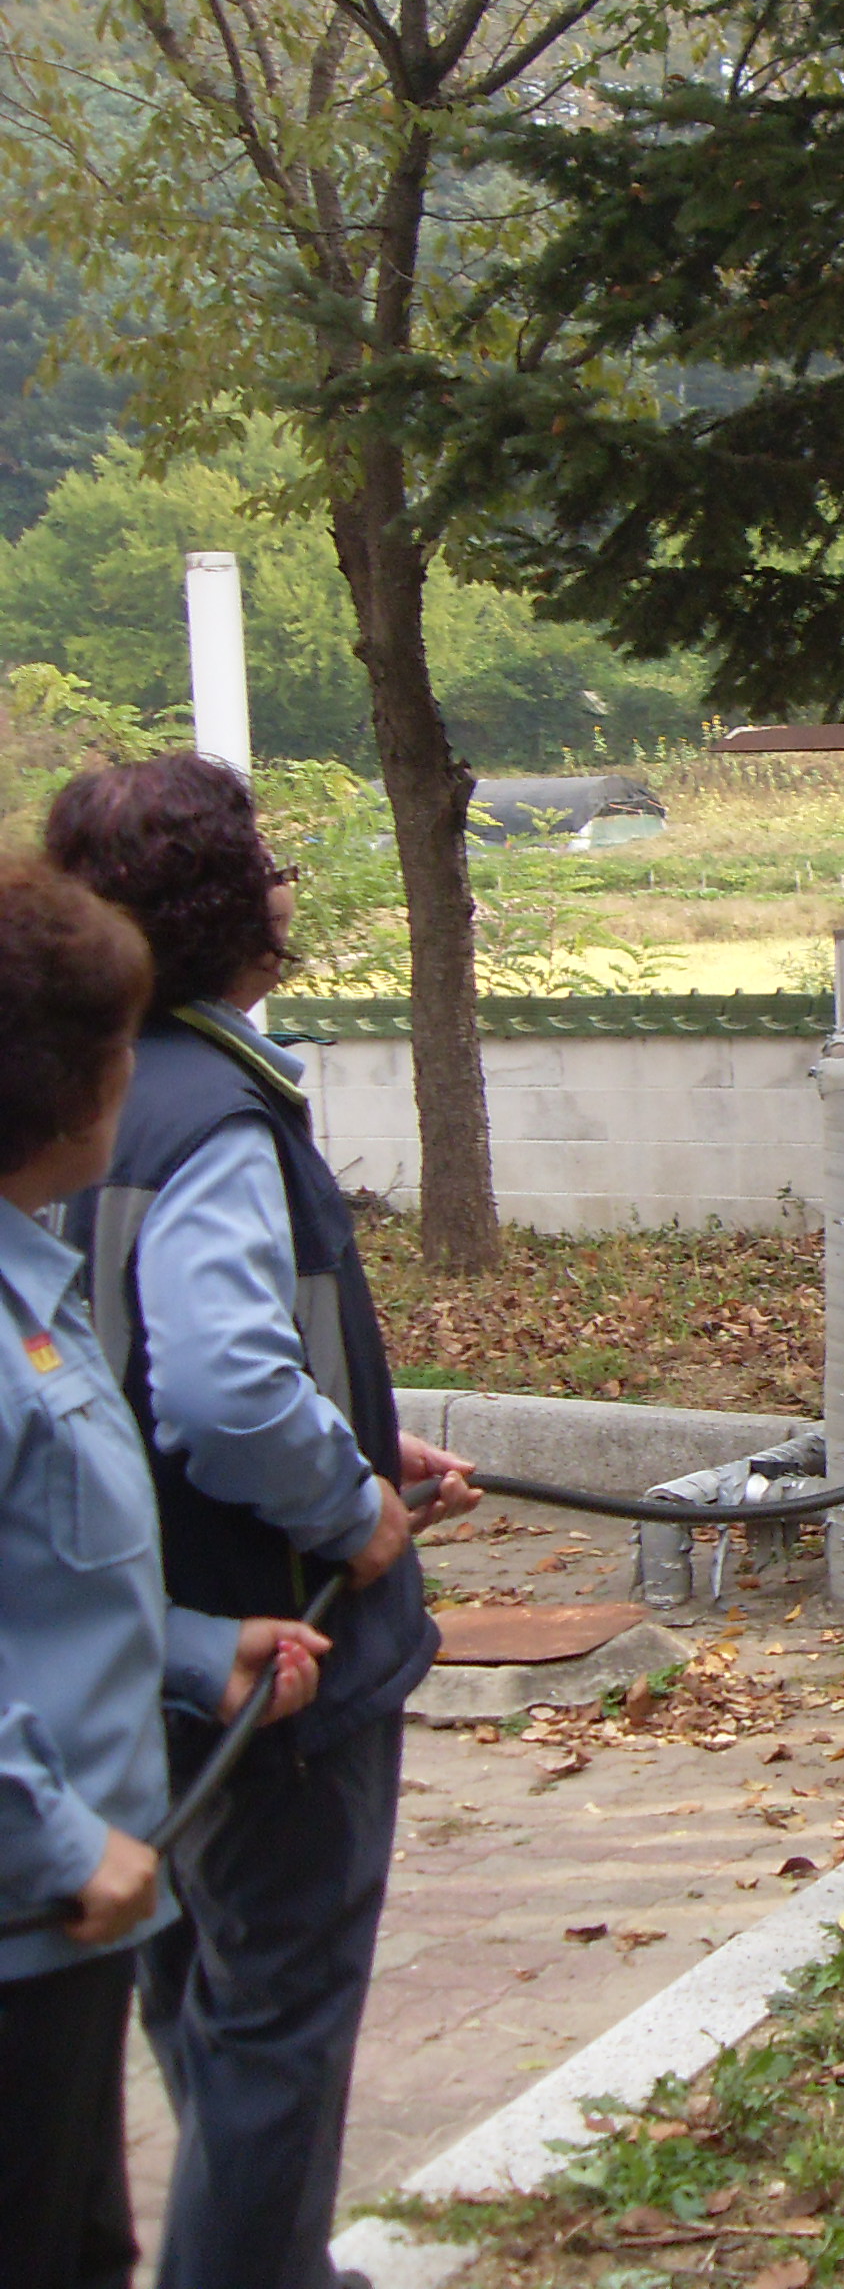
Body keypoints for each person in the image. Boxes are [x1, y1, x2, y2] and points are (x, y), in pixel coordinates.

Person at [41, 756, 479, 2289]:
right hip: (273, 1648)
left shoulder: (80, 1094)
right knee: (276, 2020)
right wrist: (348, 1504)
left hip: (138, 1636)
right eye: (270, 862)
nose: (288, 885)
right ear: (232, 907)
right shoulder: (216, 1111)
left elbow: (124, 1348)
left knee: (193, 1986)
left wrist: (357, 1431)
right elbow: (225, 1390)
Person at [0, 860, 328, 2289]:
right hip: (36, 1905)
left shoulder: (36, 1285)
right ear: (67, 1084)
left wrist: (196, 1653)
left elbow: (42, 1577)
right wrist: (53, 1846)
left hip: (66, 1926)